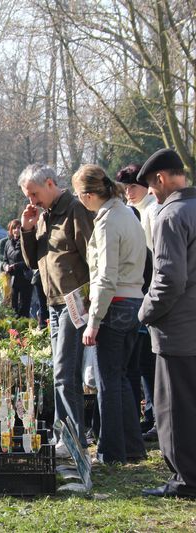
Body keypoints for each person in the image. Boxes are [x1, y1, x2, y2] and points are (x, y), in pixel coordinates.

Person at [72, 164, 147, 465]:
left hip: (114, 304)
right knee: (123, 379)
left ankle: (111, 452)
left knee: (108, 382)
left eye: (79, 195)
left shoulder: (106, 223)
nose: (79, 201)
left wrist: (94, 321)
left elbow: (105, 277)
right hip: (134, 302)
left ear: (90, 195)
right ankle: (132, 447)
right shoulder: (126, 213)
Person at [18, 163, 94, 456]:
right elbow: (32, 260)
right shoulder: (42, 215)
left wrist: (92, 302)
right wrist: (26, 229)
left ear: (50, 184)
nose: (31, 201)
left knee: (65, 372)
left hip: (74, 301)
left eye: (34, 194)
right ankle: (67, 435)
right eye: (28, 195)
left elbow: (92, 258)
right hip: (52, 302)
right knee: (61, 373)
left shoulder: (75, 210)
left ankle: (74, 439)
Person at [136, 148, 196, 499]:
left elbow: (169, 279)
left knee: (174, 408)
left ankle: (184, 479)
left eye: (151, 187)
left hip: (178, 330)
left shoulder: (170, 215)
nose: (152, 195)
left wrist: (144, 313)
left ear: (160, 179)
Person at [115, 164, 158, 440]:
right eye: (125, 188)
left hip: (151, 291)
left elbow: (153, 257)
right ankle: (149, 415)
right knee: (143, 363)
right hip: (141, 290)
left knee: (149, 363)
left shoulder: (151, 210)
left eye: (133, 187)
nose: (129, 193)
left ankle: (155, 416)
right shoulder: (137, 210)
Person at [2, 219, 33, 318]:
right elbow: (5, 259)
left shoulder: (26, 242)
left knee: (24, 306)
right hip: (12, 278)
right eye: (14, 228)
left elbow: (31, 260)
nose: (16, 230)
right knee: (13, 306)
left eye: (19, 228)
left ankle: (24, 326)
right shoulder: (8, 243)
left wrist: (16, 265)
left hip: (25, 277)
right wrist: (5, 266)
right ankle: (14, 328)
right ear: (10, 230)